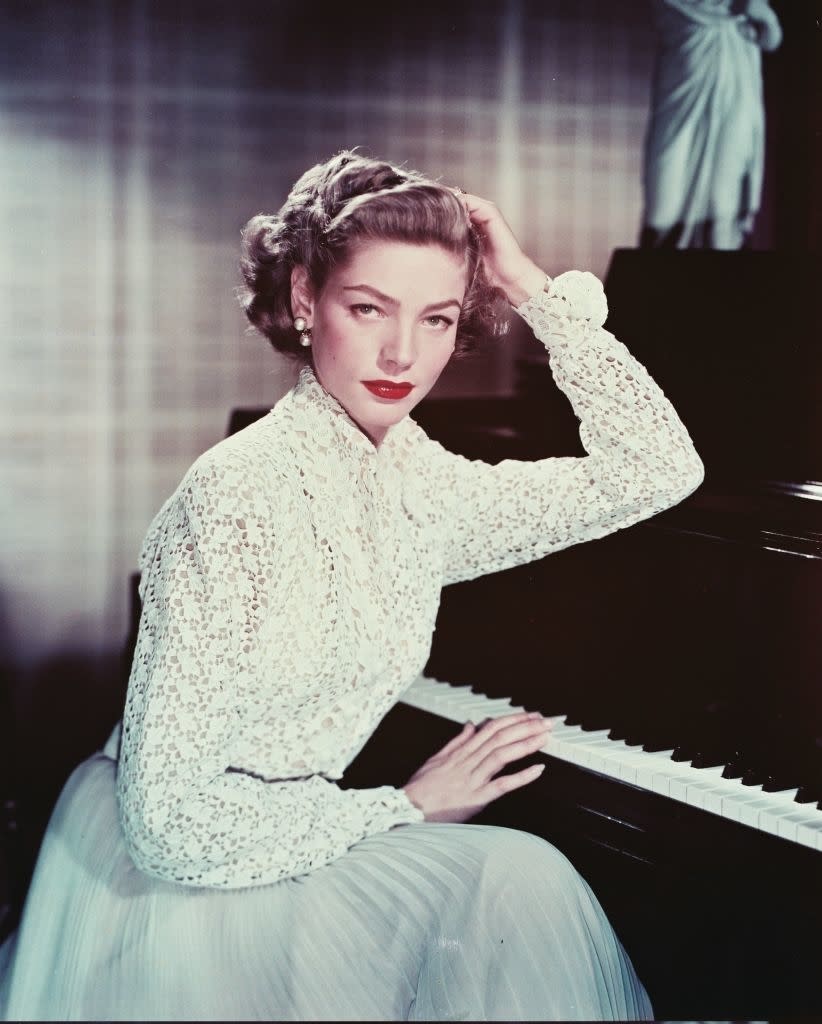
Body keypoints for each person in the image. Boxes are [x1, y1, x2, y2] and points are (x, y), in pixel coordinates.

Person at [0, 149, 703, 1020]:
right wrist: (403, 806)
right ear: (304, 300)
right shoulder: (235, 498)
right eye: (368, 308)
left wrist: (529, 286)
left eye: (439, 320)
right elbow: (167, 830)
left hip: (297, 833)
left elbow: (659, 471)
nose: (403, 353)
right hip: (176, 879)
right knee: (522, 881)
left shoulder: (423, 482)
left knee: (519, 888)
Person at [640, 0, 782, 249]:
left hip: (734, 94)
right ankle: (660, 272)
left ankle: (723, 269)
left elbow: (771, 38)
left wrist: (764, 17)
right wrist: (741, 9)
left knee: (723, 197)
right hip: (682, 93)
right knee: (664, 202)